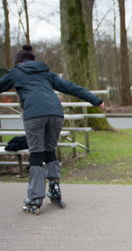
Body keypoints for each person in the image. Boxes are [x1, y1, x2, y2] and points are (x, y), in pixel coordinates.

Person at [0, 44, 104, 214]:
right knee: (49, 151)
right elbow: (71, 87)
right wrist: (95, 100)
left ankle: (34, 198)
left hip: (34, 114)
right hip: (56, 113)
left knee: (36, 154)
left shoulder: (15, 72)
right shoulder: (46, 73)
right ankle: (54, 190)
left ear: (18, 62)